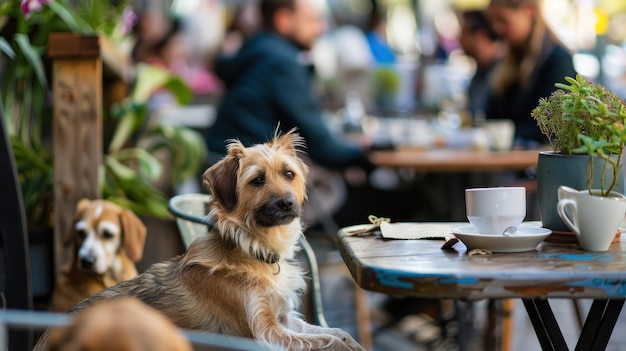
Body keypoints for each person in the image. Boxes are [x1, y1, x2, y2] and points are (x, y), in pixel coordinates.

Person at [204, 0, 373, 170]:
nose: (320, 28)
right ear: (283, 20)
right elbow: (323, 147)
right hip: (245, 180)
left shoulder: (257, 52)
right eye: (311, 19)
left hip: (223, 168)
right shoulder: (280, 62)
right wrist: (365, 151)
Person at [486, 0, 576, 146]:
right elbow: (491, 114)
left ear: (529, 12)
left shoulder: (557, 60)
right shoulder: (509, 62)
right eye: (493, 22)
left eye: (503, 20)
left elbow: (554, 127)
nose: (497, 29)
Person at [458, 9, 504, 122]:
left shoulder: (504, 72)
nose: (460, 39)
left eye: (464, 32)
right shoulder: (481, 71)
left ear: (480, 35)